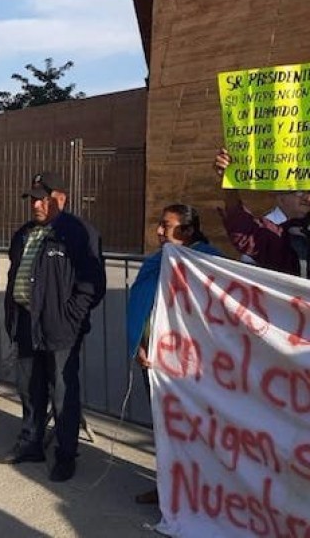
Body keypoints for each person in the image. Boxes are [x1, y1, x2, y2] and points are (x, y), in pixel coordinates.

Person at [0, 172, 105, 482]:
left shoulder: (78, 232)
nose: (36, 205)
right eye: (33, 199)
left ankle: (66, 454)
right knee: (29, 387)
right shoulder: (24, 234)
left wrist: (71, 316)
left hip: (61, 327)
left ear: (61, 199)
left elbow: (92, 283)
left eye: (43, 198)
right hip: (27, 323)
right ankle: (30, 442)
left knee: (62, 391)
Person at [126, 204, 222, 504]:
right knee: (165, 429)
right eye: (160, 224)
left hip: (196, 367)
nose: (158, 231)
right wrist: (140, 343)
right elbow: (142, 307)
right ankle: (167, 486)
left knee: (198, 431)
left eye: (166, 226)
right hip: (154, 360)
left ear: (188, 231)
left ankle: (204, 492)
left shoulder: (211, 263)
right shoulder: (156, 262)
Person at [214, 148, 310, 277]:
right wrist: (229, 180)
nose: (307, 198)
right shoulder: (293, 235)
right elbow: (247, 233)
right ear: (279, 198)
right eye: (300, 192)